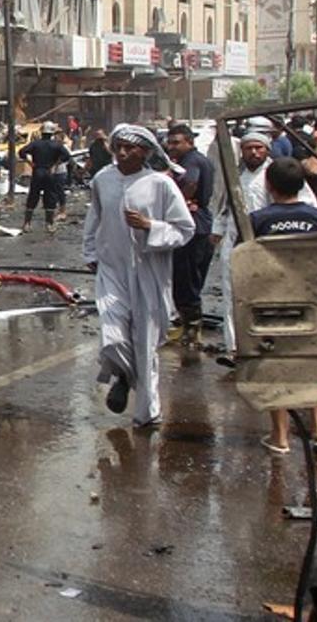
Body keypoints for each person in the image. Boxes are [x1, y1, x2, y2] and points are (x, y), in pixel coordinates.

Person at [83, 124, 195, 427]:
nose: (121, 153)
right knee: (113, 335)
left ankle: (148, 412)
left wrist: (150, 227)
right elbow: (94, 219)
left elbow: (185, 229)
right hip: (111, 268)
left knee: (145, 342)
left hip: (149, 271)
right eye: (117, 146)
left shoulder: (161, 185)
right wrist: (90, 253)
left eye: (129, 147)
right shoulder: (102, 180)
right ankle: (123, 373)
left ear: (144, 151)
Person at [249, 158, 317, 454]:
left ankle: (280, 436)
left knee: (277, 364)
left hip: (272, 302)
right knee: (314, 361)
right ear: (303, 185)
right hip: (313, 299)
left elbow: (245, 260)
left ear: (268, 185)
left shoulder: (258, 220)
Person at [210, 131, 317, 364]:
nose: (254, 152)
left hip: (267, 243)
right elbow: (224, 204)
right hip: (235, 241)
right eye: (249, 148)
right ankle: (235, 349)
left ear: (267, 149)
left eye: (259, 148)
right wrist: (217, 229)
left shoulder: (278, 173)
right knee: (233, 295)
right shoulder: (234, 173)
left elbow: (305, 202)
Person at [165, 124, 215, 348]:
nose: (171, 146)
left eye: (176, 142)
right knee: (189, 278)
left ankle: (191, 331)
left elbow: (191, 182)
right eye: (170, 142)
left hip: (192, 227)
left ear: (189, 142)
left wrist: (179, 203)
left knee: (186, 279)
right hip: (200, 223)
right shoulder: (193, 160)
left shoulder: (191, 161)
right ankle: (187, 325)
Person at [18, 122, 73, 234]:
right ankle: (49, 224)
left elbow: (21, 152)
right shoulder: (57, 145)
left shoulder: (35, 144)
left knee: (33, 196)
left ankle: (27, 224)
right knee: (50, 197)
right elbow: (67, 156)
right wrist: (56, 164)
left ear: (41, 132)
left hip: (37, 172)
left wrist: (30, 162)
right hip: (50, 173)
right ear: (52, 133)